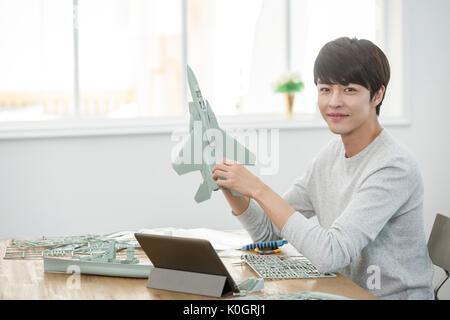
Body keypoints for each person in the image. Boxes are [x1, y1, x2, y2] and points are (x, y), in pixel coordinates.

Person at [212, 37, 434, 300]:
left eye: (349, 90)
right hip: (341, 291)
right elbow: (268, 233)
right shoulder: (331, 155)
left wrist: (258, 189)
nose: (334, 102)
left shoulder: (394, 167)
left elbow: (330, 254)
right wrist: (233, 188)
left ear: (377, 95)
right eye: (325, 89)